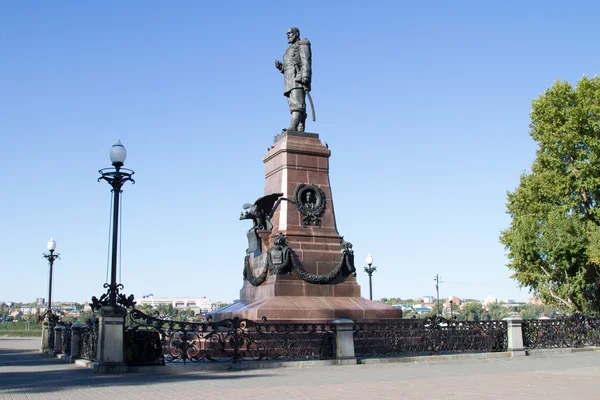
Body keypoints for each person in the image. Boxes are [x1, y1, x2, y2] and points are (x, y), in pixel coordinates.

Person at [274, 27, 311, 132]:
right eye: (287, 34)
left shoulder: (302, 44)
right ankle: (299, 129)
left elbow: (306, 60)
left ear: (297, 33)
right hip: (289, 80)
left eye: (290, 33)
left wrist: (306, 75)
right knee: (293, 104)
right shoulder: (288, 49)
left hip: (298, 78)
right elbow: (288, 68)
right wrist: (280, 67)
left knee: (297, 104)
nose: (288, 35)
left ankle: (293, 127)